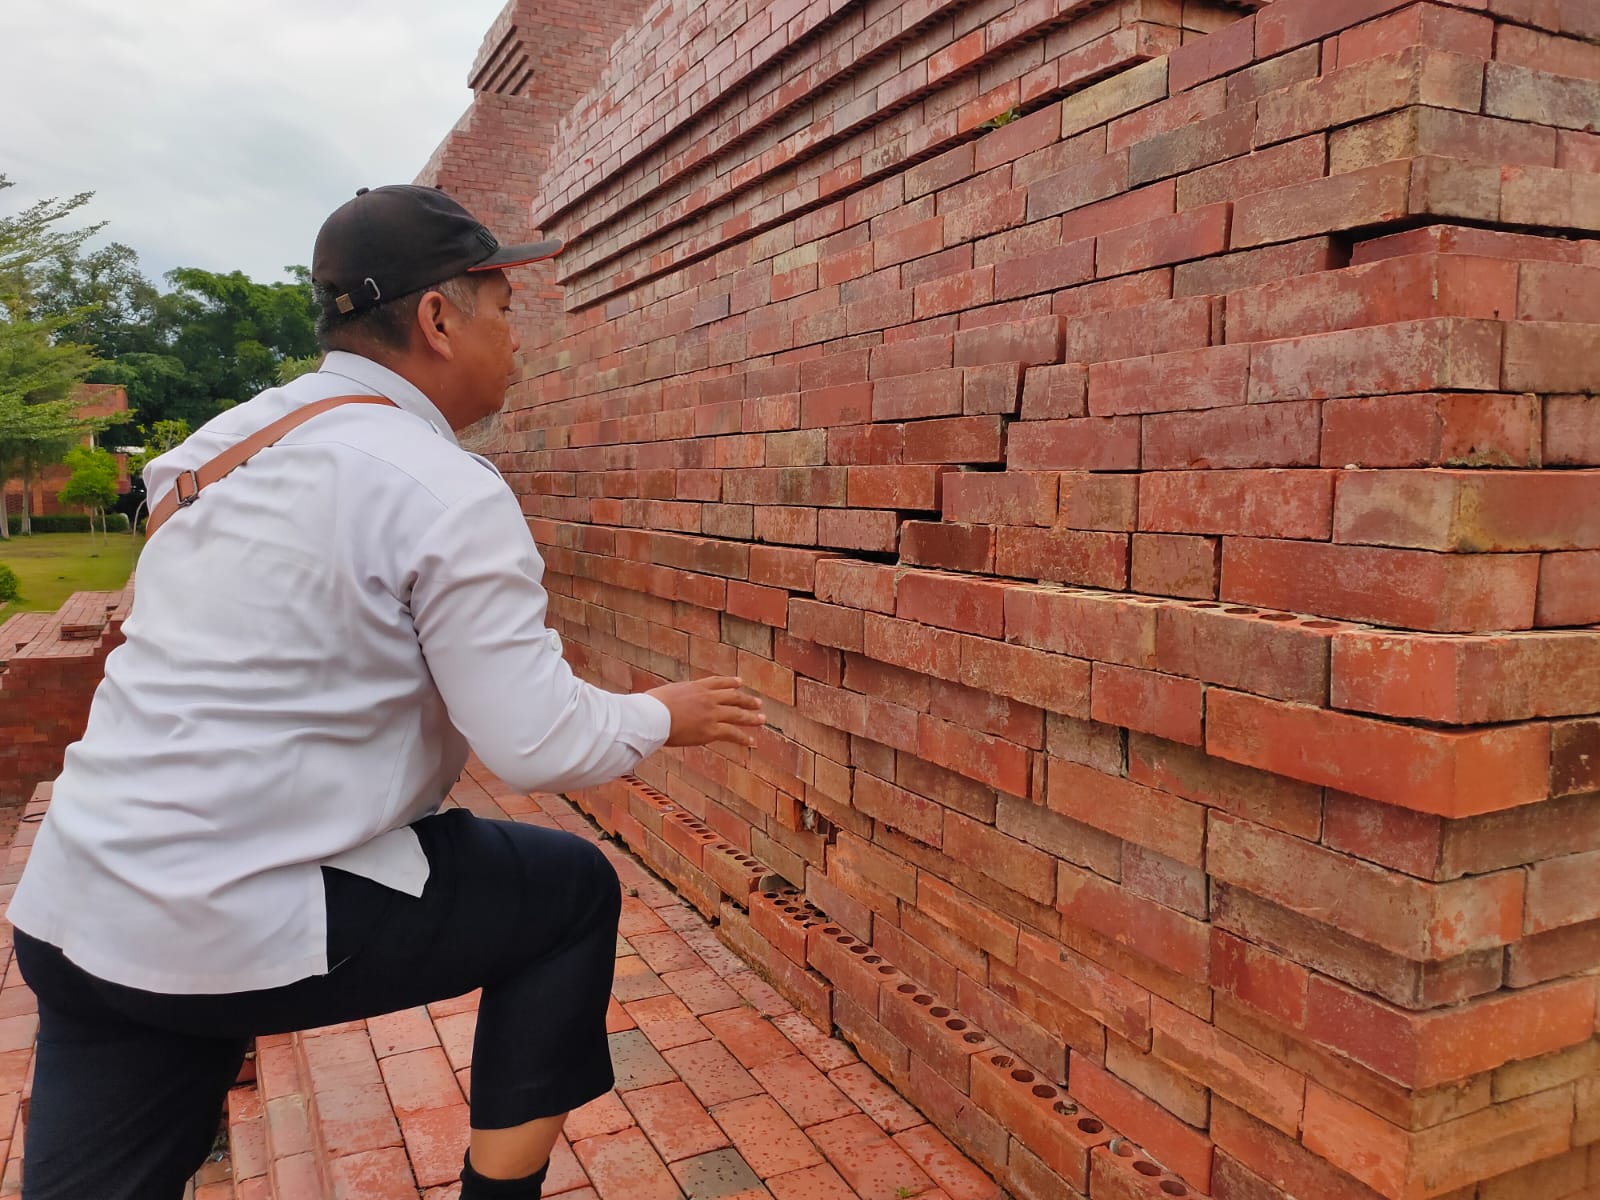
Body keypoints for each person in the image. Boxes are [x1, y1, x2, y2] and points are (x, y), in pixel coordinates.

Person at [6, 184, 766, 1200]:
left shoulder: (227, 445)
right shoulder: (440, 485)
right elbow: (536, 744)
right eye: (502, 309)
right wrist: (663, 713)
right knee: (569, 894)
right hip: (233, 913)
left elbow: (193, 570)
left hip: (80, 897)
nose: (516, 339)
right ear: (438, 318)